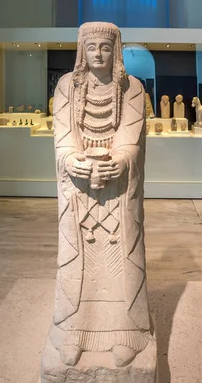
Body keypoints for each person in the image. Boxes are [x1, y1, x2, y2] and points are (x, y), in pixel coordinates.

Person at [48, 22, 152, 368]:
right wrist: (71, 160)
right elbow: (63, 135)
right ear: (82, 50)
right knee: (79, 256)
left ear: (116, 50)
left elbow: (131, 137)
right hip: (79, 189)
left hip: (119, 189)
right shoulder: (67, 87)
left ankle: (126, 331)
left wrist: (122, 161)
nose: (98, 54)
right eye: (91, 47)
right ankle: (74, 330)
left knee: (121, 254)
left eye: (105, 48)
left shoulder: (133, 89)